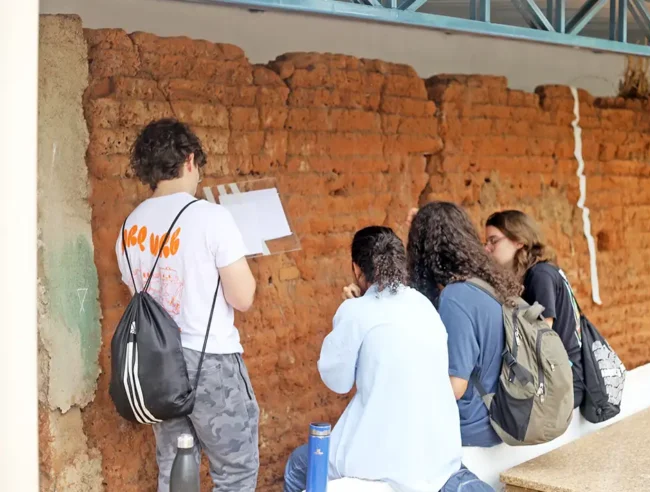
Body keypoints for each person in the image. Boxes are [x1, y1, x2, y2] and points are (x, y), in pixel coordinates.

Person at [116, 119, 259, 491]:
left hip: (159, 366)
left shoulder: (128, 226)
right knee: (235, 473)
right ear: (190, 160)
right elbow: (243, 298)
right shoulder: (211, 217)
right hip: (210, 362)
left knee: (176, 470)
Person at [284, 226, 484, 492]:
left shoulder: (356, 312)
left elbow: (338, 382)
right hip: (437, 451)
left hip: (384, 458)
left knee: (298, 464)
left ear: (357, 269)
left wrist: (348, 311)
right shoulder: (423, 305)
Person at [406, 202, 522, 478]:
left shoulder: (455, 298)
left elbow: (455, 386)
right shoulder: (489, 284)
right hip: (503, 415)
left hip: (475, 427)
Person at [484, 210, 584, 408]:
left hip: (566, 384)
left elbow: (540, 338)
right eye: (486, 242)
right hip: (561, 377)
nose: (488, 248)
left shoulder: (540, 275)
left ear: (519, 241)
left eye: (493, 241)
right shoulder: (540, 271)